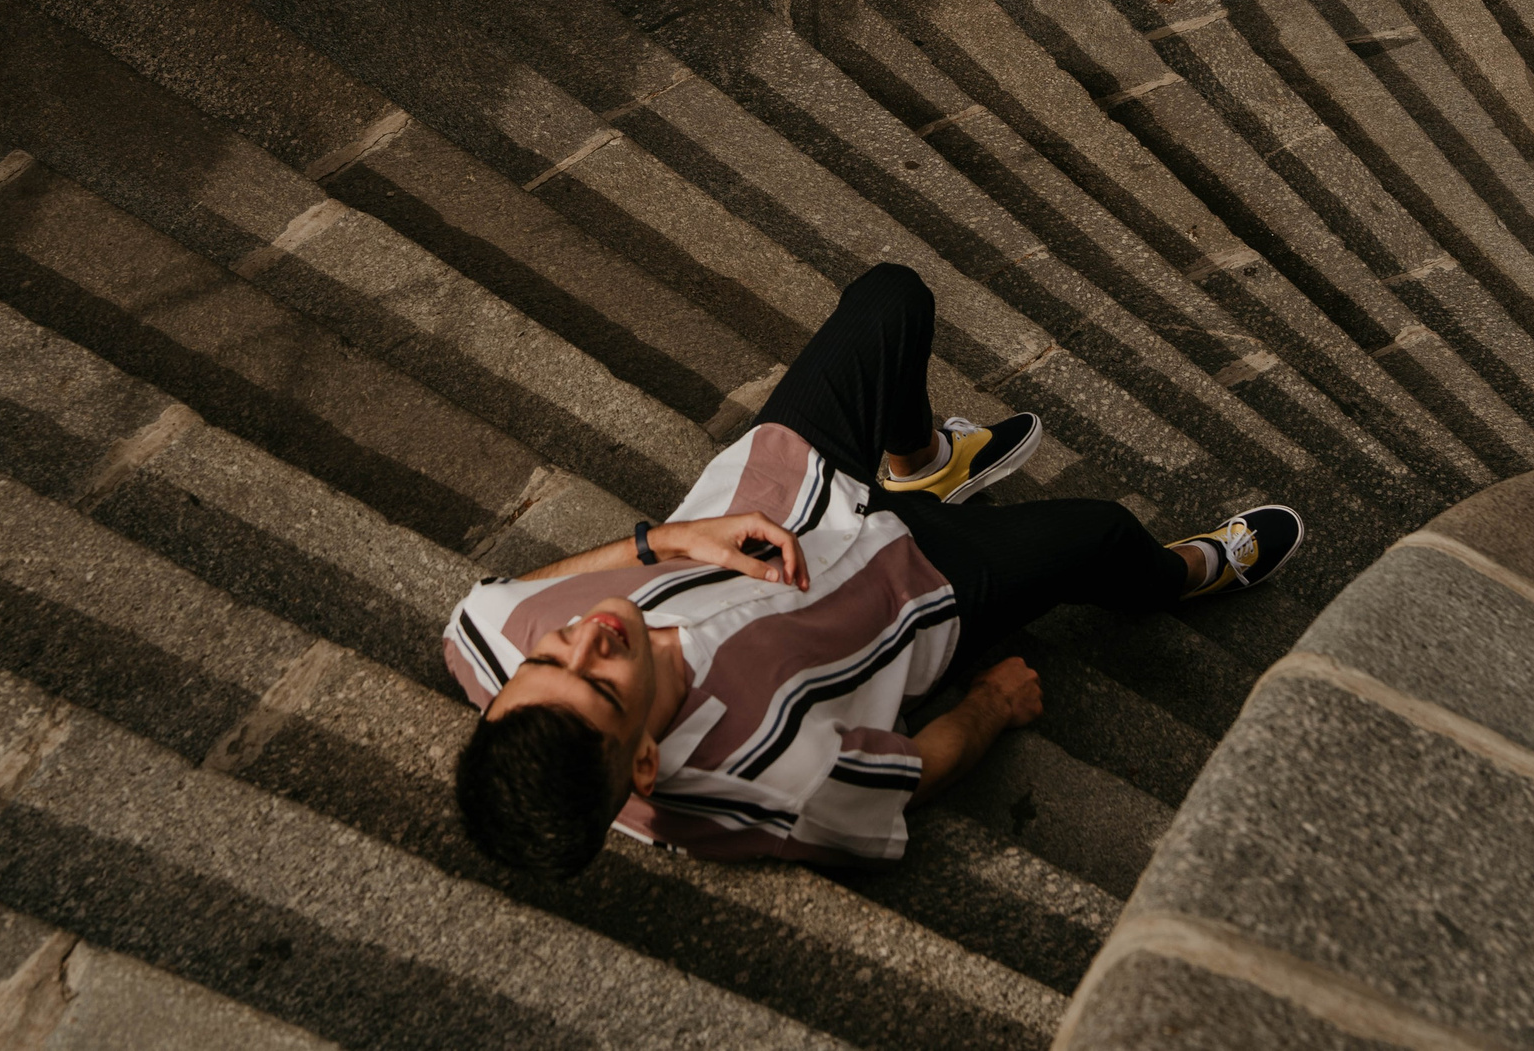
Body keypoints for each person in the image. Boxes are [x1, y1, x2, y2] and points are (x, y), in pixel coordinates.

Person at [444, 262, 1304, 876]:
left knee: (892, 299)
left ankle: (922, 460)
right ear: (641, 766)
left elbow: (494, 603)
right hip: (918, 584)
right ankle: (1184, 575)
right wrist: (991, 707)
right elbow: (912, 778)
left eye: (549, 659)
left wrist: (662, 544)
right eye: (602, 678)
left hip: (774, 490)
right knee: (1104, 533)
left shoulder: (493, 645)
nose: (585, 638)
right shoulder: (776, 779)